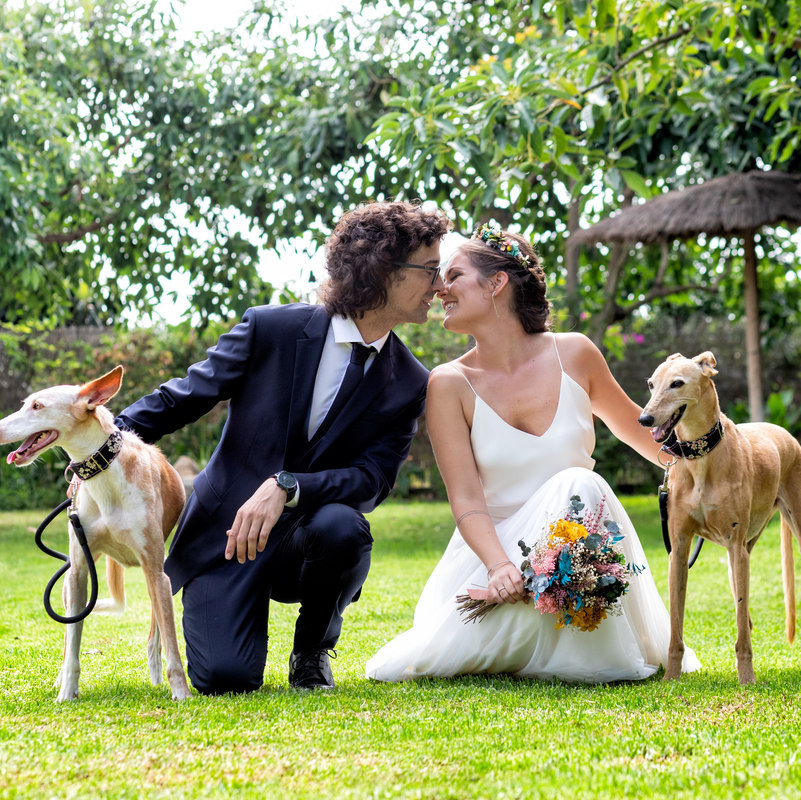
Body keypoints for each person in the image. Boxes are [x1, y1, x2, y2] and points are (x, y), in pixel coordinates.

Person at [114, 201, 451, 694]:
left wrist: (289, 487)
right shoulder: (270, 329)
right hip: (226, 536)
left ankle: (311, 652)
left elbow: (373, 480)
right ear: (383, 270)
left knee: (345, 528)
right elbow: (183, 398)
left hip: (307, 543)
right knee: (227, 679)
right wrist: (106, 443)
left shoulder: (410, 382)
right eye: (430, 269)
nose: (440, 286)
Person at [365, 225, 700, 683]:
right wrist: (500, 567)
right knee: (578, 483)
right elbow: (465, 499)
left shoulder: (575, 354)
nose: (439, 288)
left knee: (580, 484)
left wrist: (711, 466)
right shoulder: (447, 384)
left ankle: (578, 622)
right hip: (495, 557)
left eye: (454, 275)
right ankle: (523, 616)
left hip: (582, 549)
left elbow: (646, 438)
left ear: (497, 283)